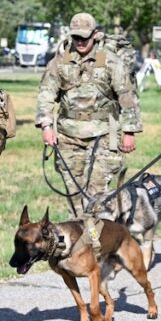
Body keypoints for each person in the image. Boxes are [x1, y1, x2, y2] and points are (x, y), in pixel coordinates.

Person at [35, 13, 142, 215]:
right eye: (76, 37)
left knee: (97, 192)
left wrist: (129, 131)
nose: (81, 42)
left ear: (95, 35)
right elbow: (46, 94)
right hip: (68, 134)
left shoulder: (109, 60)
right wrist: (46, 125)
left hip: (104, 132)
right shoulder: (60, 61)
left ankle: (98, 232)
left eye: (85, 37)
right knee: (73, 193)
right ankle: (78, 231)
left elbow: (127, 95)